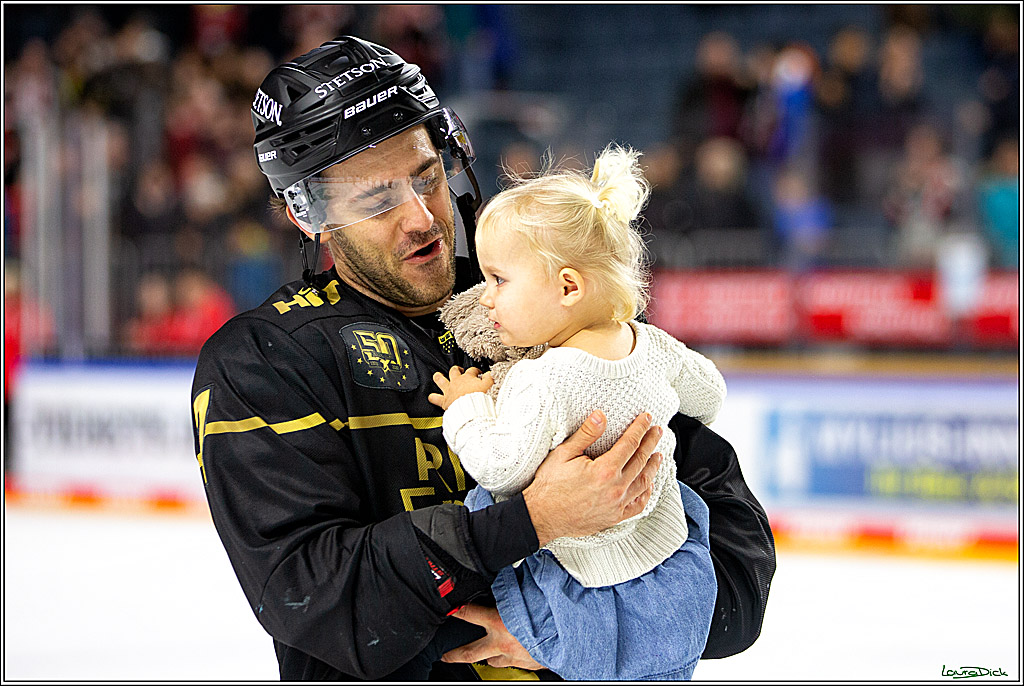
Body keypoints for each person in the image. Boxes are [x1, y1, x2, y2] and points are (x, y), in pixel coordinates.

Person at [191, 35, 775, 681]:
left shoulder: (556, 306)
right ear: (309, 216)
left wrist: (580, 634)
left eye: (427, 177)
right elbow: (321, 603)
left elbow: (737, 595)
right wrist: (532, 521)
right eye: (377, 199)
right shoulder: (266, 362)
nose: (420, 218)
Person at [427, 145, 724, 679]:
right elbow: (710, 396)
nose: (485, 298)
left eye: (498, 280)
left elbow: (501, 466)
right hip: (671, 564)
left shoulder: (541, 380)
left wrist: (468, 407)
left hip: (574, 585)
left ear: (568, 286)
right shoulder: (651, 344)